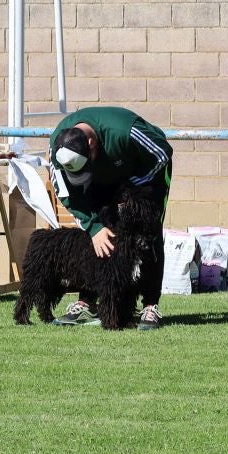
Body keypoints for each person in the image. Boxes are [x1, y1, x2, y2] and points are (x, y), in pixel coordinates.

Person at [47, 105, 174, 330]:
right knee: (99, 235)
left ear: (91, 143)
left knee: (148, 237)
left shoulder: (124, 131)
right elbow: (66, 193)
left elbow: (162, 153)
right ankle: (87, 300)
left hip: (145, 176)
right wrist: (92, 226)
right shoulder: (58, 144)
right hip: (103, 177)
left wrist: (132, 186)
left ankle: (150, 305)